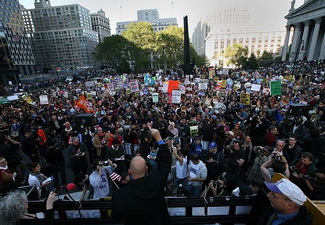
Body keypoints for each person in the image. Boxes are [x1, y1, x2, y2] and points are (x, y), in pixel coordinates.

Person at [112, 128, 172, 225]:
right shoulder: (156, 182)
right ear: (146, 168)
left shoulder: (119, 195)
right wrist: (158, 138)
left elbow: (116, 219)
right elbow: (166, 161)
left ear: (130, 171)